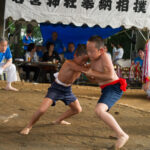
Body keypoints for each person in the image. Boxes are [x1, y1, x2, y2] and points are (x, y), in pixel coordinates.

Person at [20, 44, 88, 135]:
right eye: (83, 59)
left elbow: (89, 73)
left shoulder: (83, 66)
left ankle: (58, 120)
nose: (84, 62)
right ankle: (28, 126)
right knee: (42, 110)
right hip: (56, 88)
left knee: (77, 109)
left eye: (86, 60)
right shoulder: (69, 63)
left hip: (67, 90)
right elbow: (82, 69)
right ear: (75, 55)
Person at [83, 36, 129, 149]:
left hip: (114, 87)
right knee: (102, 111)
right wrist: (89, 75)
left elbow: (109, 75)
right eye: (87, 50)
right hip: (106, 88)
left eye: (91, 51)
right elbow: (95, 79)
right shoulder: (93, 60)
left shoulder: (105, 56)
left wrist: (92, 72)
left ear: (101, 50)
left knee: (99, 110)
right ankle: (117, 131)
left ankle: (122, 135)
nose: (88, 54)